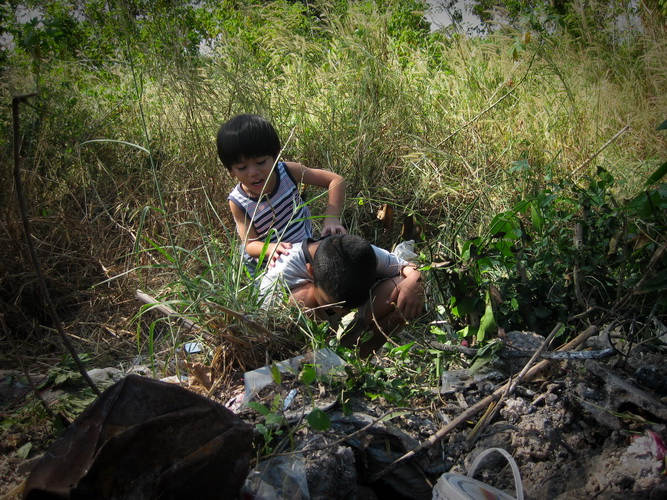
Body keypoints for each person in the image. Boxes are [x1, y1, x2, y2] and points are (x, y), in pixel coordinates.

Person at [217, 114, 346, 273]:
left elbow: (335, 180)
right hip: (273, 264)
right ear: (231, 171)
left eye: (261, 162)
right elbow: (249, 245)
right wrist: (270, 248)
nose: (253, 172)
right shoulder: (238, 202)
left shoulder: (288, 172)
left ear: (276, 156)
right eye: (242, 167)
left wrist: (332, 217)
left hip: (304, 246)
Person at [259, 234, 424, 357]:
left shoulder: (364, 254)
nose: (340, 311)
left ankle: (355, 350)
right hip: (314, 329)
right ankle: (322, 354)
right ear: (311, 271)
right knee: (302, 298)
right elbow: (265, 323)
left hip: (354, 322)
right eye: (332, 304)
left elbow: (408, 268)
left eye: (345, 307)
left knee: (402, 282)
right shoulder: (283, 270)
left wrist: (416, 280)